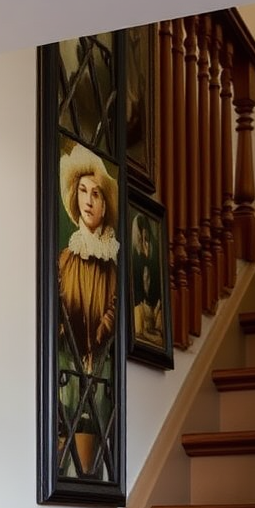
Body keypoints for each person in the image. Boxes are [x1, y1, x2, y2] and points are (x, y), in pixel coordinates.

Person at [57, 143, 119, 477]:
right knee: (71, 406)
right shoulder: (66, 259)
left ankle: (92, 471)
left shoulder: (111, 263)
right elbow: (62, 305)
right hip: (72, 356)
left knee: (97, 411)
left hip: (100, 355)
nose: (89, 200)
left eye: (96, 193)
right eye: (83, 191)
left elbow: (113, 306)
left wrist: (103, 330)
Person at [131, 212, 163, 344]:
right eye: (141, 240)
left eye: (147, 240)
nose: (145, 245)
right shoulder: (136, 260)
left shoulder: (155, 261)